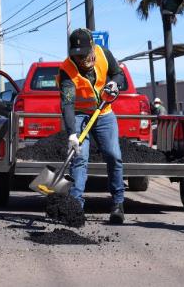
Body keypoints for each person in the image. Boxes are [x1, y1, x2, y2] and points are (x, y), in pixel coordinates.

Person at [58, 28, 125, 224]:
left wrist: (114, 84)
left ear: (93, 48)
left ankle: (118, 204)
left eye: (84, 54)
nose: (81, 59)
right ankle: (76, 206)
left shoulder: (104, 55)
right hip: (79, 115)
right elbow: (68, 103)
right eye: (76, 55)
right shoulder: (66, 70)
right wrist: (72, 134)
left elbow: (118, 74)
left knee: (114, 155)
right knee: (79, 158)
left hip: (103, 113)